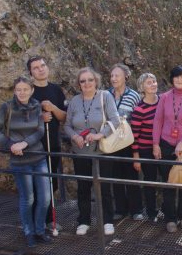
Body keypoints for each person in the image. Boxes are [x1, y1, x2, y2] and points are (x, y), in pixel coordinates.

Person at [0, 76, 51, 248]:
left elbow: (40, 130)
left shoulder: (36, 105)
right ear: (15, 91)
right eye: (19, 90)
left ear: (31, 90)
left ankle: (40, 230)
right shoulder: (6, 108)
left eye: (25, 89)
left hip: (38, 157)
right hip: (19, 160)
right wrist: (10, 145)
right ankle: (29, 232)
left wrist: (25, 143)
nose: (22, 93)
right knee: (28, 199)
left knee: (45, 198)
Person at [64, 67, 121, 236]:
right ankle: (84, 221)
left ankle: (107, 221)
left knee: (104, 187)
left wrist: (99, 135)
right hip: (80, 151)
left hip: (101, 151)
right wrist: (75, 137)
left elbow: (115, 120)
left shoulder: (105, 96)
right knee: (83, 187)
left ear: (96, 81)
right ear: (78, 84)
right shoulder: (74, 101)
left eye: (90, 80)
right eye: (83, 81)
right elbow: (67, 125)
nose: (87, 83)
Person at [152, 65, 182, 233]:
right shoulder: (164, 98)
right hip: (165, 144)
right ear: (172, 79)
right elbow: (158, 121)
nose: (180, 80)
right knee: (168, 182)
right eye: (176, 77)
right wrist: (155, 144)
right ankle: (170, 218)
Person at [26, 56, 67, 232]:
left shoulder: (56, 90)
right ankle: (36, 221)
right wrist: (40, 118)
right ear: (31, 72)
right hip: (34, 146)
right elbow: (22, 119)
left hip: (53, 143)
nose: (41, 69)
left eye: (43, 65)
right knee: (36, 186)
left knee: (52, 184)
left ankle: (49, 219)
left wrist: (52, 108)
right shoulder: (28, 92)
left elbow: (64, 117)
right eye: (36, 68)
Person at [108, 63, 143, 221]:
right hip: (111, 142)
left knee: (131, 176)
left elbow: (139, 119)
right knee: (115, 176)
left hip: (129, 142)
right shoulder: (106, 94)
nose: (114, 78)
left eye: (117, 75)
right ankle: (120, 209)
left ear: (125, 77)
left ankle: (136, 209)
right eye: (112, 76)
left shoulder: (134, 95)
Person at [130, 72, 160, 222]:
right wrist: (136, 157)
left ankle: (167, 212)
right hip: (145, 149)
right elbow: (134, 136)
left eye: (154, 81)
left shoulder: (163, 102)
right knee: (150, 181)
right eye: (149, 82)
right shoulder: (139, 109)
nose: (153, 84)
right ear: (142, 87)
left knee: (167, 179)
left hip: (163, 147)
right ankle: (152, 213)